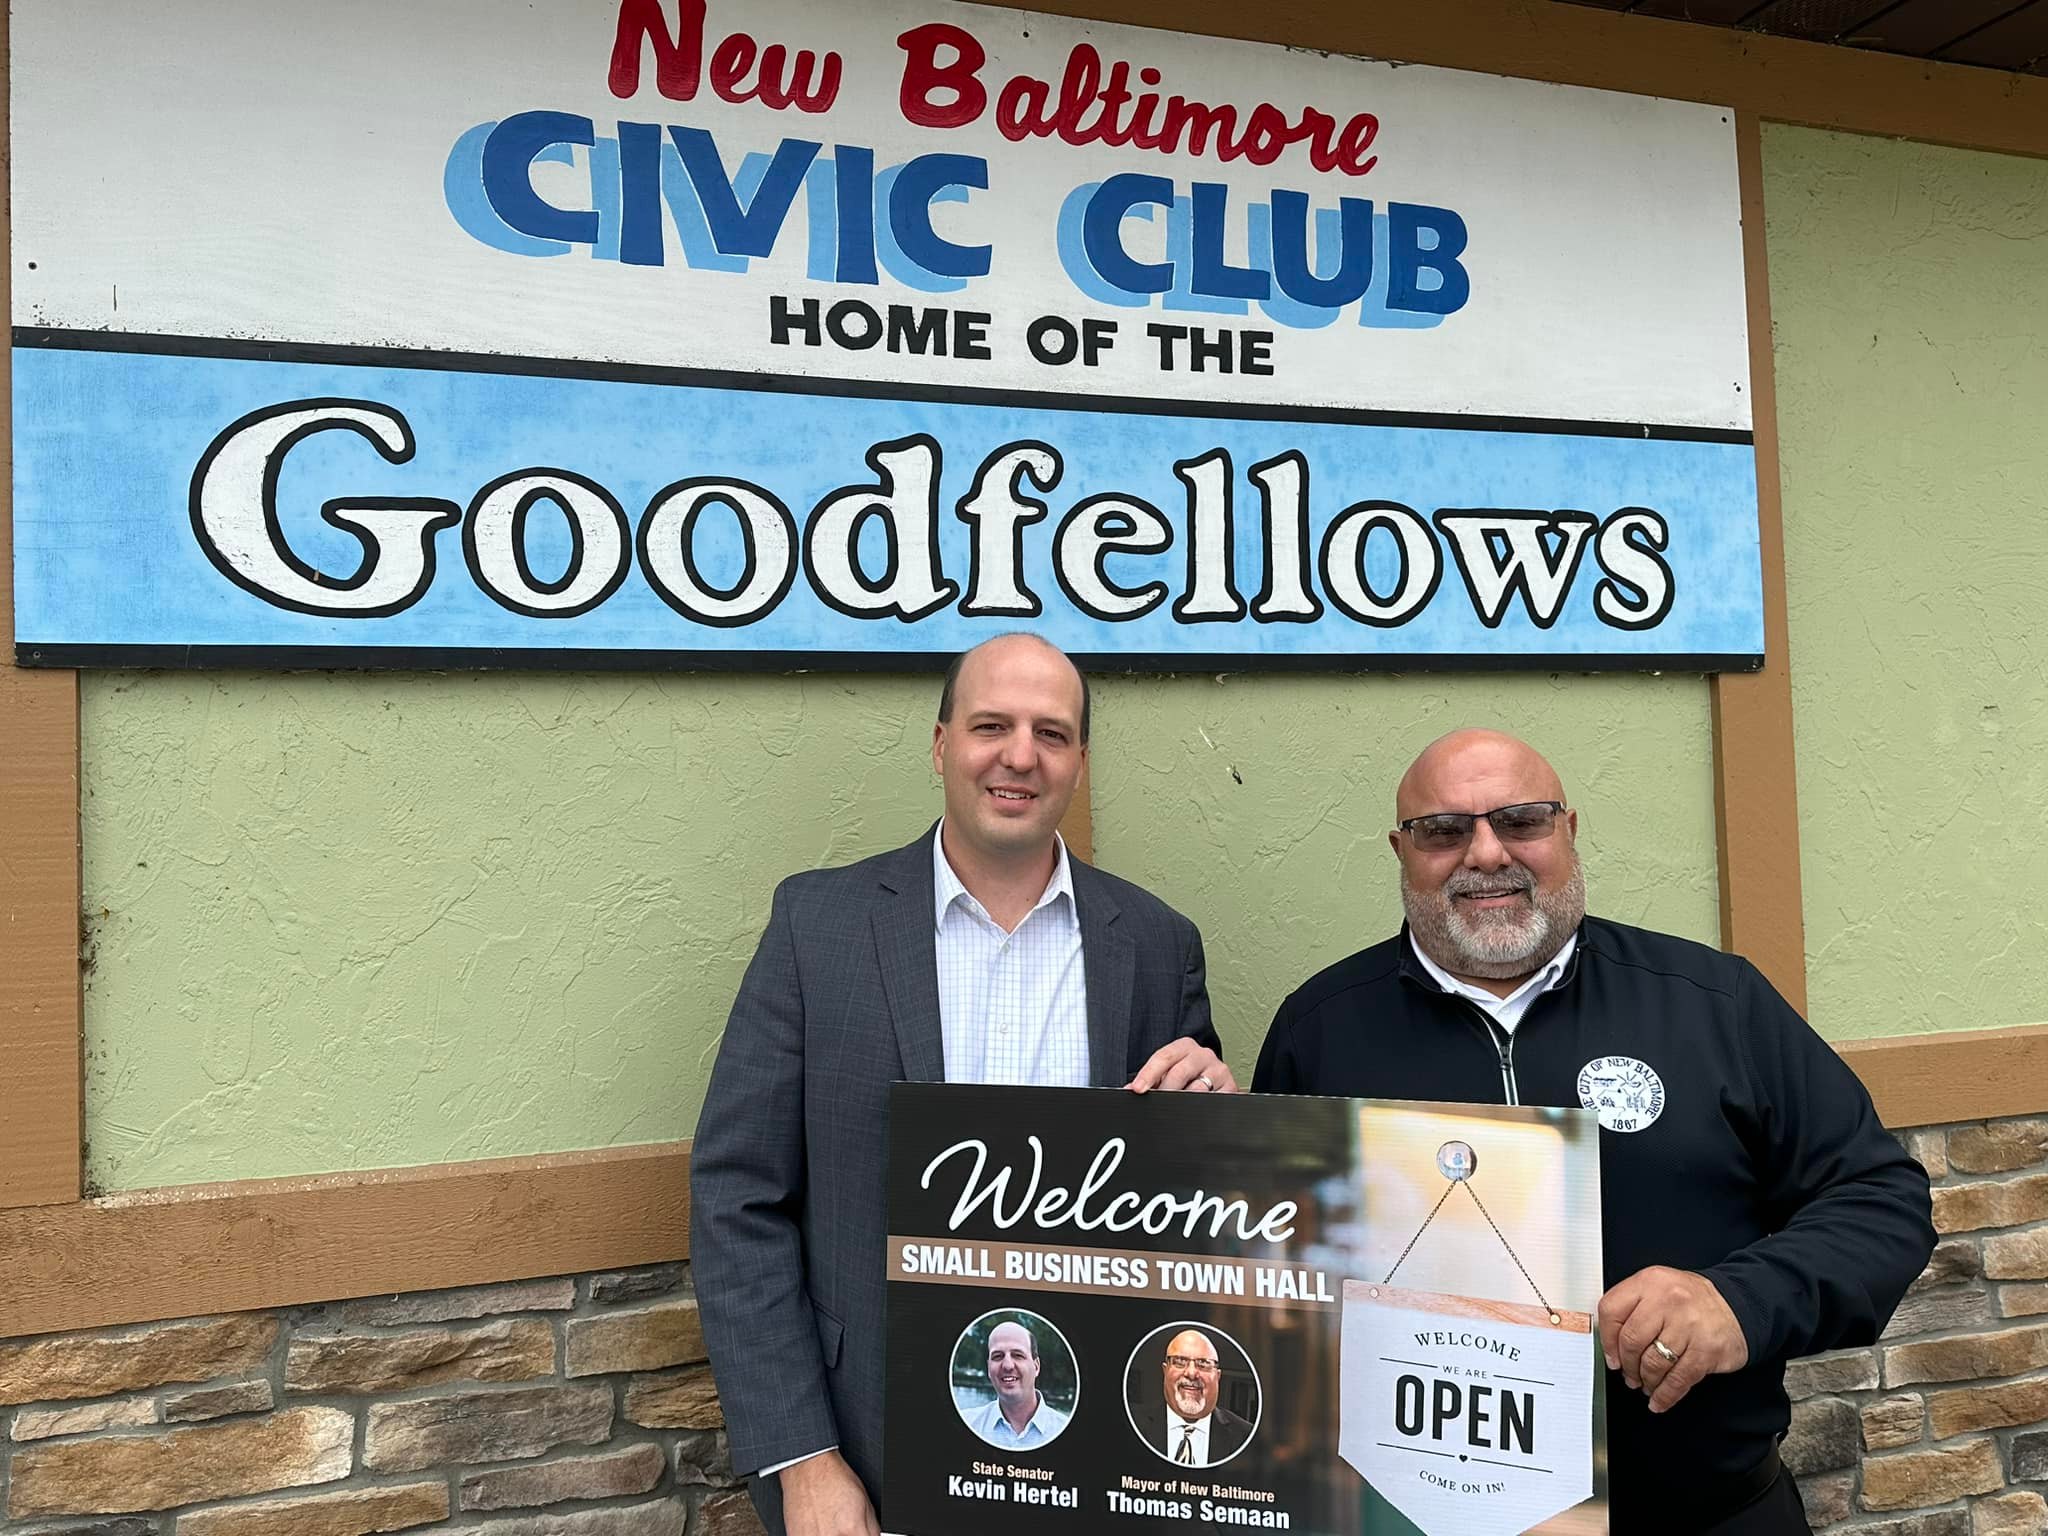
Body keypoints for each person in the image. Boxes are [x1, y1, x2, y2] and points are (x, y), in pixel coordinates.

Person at [1253, 728, 1934, 1536]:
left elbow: (1880, 1199)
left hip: (1706, 1516)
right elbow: (1268, 1269)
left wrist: (1739, 1300)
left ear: (1568, 830)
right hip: (1414, 1517)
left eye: (1522, 820)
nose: (1486, 853)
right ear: (1402, 852)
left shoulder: (1712, 1003)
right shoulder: (1319, 1031)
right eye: (1443, 830)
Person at [693, 633, 1234, 1536]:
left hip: (1093, 1460)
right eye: (992, 726)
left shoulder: (1155, 942)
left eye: (1051, 733)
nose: (1020, 755)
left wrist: (1216, 1118)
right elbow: (737, 1197)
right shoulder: (818, 926)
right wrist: (803, 1459)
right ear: (942, 745)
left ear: (1079, 760)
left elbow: (1182, 1209)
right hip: (869, 1457)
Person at [1134, 1327, 1252, 1466]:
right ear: (1165, 1370)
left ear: (1217, 1376)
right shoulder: (1133, 1424)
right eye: (1180, 1361)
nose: (1191, 1373)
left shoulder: (1246, 1436)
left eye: (1203, 1363)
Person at [962, 1319, 1069, 1449]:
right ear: (989, 1368)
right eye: (997, 1356)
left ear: (1036, 1367)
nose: (1007, 1365)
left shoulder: (1065, 1430)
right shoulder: (966, 1424)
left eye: (1018, 1355)